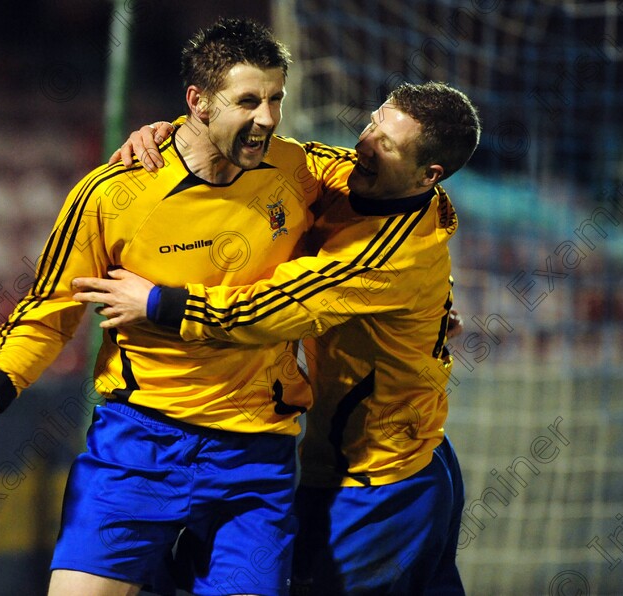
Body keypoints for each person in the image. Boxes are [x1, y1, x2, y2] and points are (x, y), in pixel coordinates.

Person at [0, 18, 355, 596]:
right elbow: (53, 306)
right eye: (249, 101)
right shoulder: (115, 192)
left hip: (255, 453)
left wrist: (430, 300)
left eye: (276, 99)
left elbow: (401, 195)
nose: (268, 119)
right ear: (198, 103)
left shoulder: (300, 170)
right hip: (139, 447)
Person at [72, 81, 481, 595]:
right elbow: (285, 155)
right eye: (374, 121)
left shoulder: (385, 255)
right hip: (410, 459)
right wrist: (179, 133)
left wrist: (158, 303)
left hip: (379, 478)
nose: (365, 143)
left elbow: (271, 310)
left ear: (430, 175)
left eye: (388, 145)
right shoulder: (365, 179)